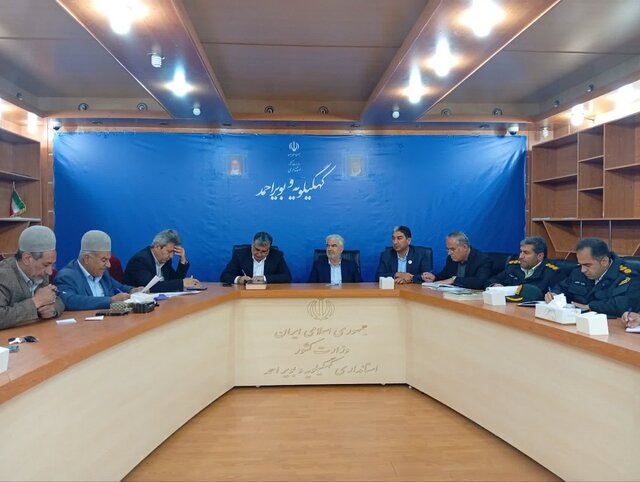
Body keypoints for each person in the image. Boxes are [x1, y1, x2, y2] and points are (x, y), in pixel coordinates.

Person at [545, 237, 640, 318]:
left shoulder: (627, 276)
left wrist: (590, 307)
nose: (583, 270)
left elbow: (622, 305)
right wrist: (554, 294)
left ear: (604, 261)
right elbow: (562, 287)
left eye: (587, 265)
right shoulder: (579, 272)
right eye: (580, 264)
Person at [56, 230, 143, 310]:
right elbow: (70, 301)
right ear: (87, 259)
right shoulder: (66, 277)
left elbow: (119, 287)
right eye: (104, 260)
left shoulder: (103, 273)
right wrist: (110, 301)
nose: (108, 265)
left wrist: (133, 290)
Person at [0, 225, 65, 329]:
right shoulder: (4, 275)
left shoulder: (41, 273)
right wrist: (36, 302)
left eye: (52, 265)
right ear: (27, 258)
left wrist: (53, 309)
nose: (49, 272)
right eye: (46, 265)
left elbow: (57, 299)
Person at [124, 229, 201, 293]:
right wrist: (182, 283)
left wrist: (183, 261)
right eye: (169, 251)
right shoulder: (140, 260)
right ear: (157, 246)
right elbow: (151, 287)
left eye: (173, 252)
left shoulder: (165, 260)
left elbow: (174, 281)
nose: (171, 256)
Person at [485, 236, 563, 298]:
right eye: (521, 252)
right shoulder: (513, 266)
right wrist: (494, 285)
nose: (520, 257)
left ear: (539, 256)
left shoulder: (552, 272)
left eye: (526, 253)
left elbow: (557, 295)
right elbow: (491, 280)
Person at [422, 231, 491, 289]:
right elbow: (445, 275)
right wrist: (434, 277)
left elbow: (480, 282)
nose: (449, 253)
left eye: (452, 249)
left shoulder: (483, 259)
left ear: (465, 247)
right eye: (448, 249)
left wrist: (454, 280)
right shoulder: (451, 258)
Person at [220, 231, 291, 284]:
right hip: (244, 293)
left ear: (269, 249)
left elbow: (287, 277)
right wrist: (239, 279)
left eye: (264, 251)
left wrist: (264, 278)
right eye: (257, 249)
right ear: (252, 245)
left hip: (268, 293)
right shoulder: (240, 254)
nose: (259, 254)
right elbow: (225, 276)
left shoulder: (277, 256)